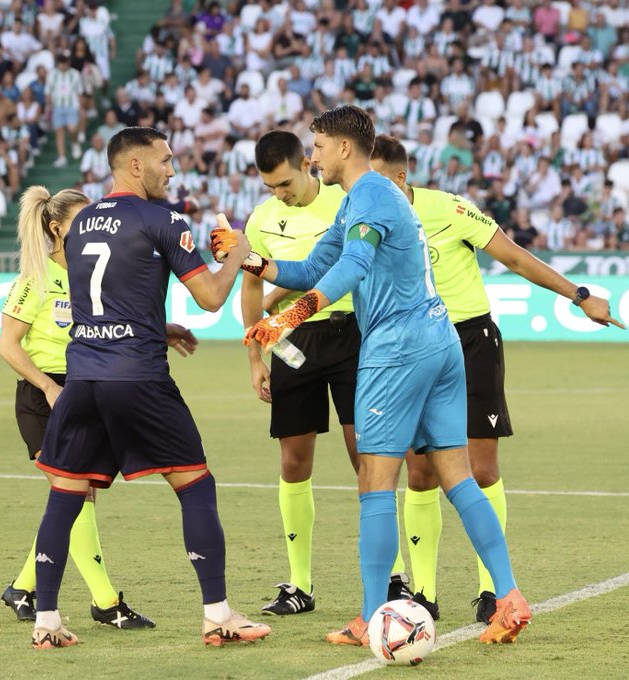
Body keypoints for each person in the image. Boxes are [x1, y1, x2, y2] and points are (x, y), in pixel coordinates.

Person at [213, 105, 531, 646]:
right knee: (456, 476)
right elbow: (312, 269)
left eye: (316, 147)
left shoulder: (372, 196)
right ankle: (510, 597)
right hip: (439, 341)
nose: (311, 157)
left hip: (398, 349)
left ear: (342, 148)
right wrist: (249, 261)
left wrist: (290, 315)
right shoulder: (363, 199)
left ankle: (369, 617)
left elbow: (354, 267)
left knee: (375, 483)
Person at [27, 127, 271, 649]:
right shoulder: (163, 218)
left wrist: (159, 327)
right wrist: (239, 254)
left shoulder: (82, 221)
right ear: (135, 166)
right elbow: (209, 298)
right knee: (196, 486)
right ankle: (219, 615)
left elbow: (99, 301)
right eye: (165, 160)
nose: (172, 169)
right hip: (136, 377)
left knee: (64, 498)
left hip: (84, 378)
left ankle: (45, 621)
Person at [369, 134, 622, 623]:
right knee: (419, 473)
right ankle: (423, 595)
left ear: (401, 177)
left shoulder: (450, 209)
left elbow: (513, 256)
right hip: (412, 345)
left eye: (378, 179)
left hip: (470, 341)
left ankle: (492, 591)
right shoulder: (365, 220)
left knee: (480, 470)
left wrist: (580, 294)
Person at [241, 131, 412, 616]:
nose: (279, 194)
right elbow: (252, 286)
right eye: (271, 187)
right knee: (294, 462)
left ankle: (394, 576)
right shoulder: (262, 218)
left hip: (352, 335)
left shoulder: (348, 197)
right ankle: (299, 585)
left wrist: (284, 309)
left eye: (284, 182)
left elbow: (350, 266)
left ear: (305, 164)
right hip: (291, 346)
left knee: (367, 455)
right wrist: (256, 356)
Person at [0, 186, 156, 630]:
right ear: (56, 228)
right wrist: (49, 388)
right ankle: (105, 601)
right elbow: (8, 346)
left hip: (85, 389)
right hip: (44, 397)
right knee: (77, 494)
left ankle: (21, 587)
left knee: (69, 498)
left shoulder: (95, 273)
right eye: (81, 222)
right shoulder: (36, 277)